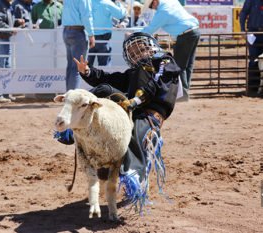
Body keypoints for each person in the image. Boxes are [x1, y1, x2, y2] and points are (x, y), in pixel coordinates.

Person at [56, 32, 180, 210]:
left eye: (140, 47)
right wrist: (88, 71)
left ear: (151, 46)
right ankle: (71, 127)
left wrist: (135, 102)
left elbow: (156, 83)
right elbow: (110, 78)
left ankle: (134, 178)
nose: (137, 52)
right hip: (130, 108)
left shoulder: (165, 62)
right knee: (104, 88)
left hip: (149, 114)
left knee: (137, 134)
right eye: (132, 51)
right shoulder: (134, 72)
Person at [141, 0, 200, 102]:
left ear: (155, 1)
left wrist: (135, 34)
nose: (152, 8)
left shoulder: (162, 11)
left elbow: (151, 29)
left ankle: (183, 94)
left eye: (151, 5)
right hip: (194, 31)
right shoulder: (170, 2)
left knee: (179, 65)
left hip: (185, 35)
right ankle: (185, 91)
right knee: (188, 65)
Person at [62, 0, 95, 91]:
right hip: (78, 32)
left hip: (67, 31)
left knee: (71, 66)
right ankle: (72, 97)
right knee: (77, 67)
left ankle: (69, 95)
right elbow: (86, 16)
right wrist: (91, 35)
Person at [87, 0, 126, 67]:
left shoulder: (86, 2)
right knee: (104, 68)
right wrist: (119, 3)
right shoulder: (107, 3)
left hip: (88, 38)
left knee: (86, 67)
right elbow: (121, 14)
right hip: (103, 40)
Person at [0, 0, 16, 103]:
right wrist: (10, 29)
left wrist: (16, 23)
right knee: (0, 66)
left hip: (5, 38)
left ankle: (5, 93)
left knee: (6, 66)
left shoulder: (5, 4)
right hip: (0, 38)